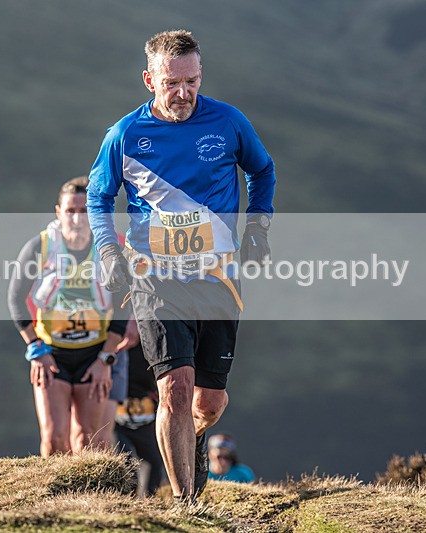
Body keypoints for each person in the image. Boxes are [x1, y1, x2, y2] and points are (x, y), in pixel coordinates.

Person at [86, 30, 275, 501]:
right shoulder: (126, 134)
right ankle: (186, 503)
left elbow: (262, 169)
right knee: (173, 386)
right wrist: (110, 250)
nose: (184, 93)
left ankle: (190, 437)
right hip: (155, 279)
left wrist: (258, 228)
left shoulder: (228, 122)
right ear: (150, 79)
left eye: (192, 81)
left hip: (217, 278)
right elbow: (98, 195)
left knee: (207, 402)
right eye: (172, 82)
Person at [7, 176, 132, 456]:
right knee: (54, 439)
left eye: (85, 210)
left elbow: (124, 305)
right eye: (70, 211)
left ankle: (85, 500)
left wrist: (106, 358)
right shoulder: (40, 247)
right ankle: (54, 500)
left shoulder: (108, 250)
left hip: (95, 353)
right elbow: (15, 298)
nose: (77, 218)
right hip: (52, 354)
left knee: (88, 441)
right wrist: (36, 348)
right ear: (58, 212)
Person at [114, 321, 165, 496]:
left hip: (146, 418)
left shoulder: (151, 346)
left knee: (155, 462)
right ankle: (125, 503)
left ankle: (152, 502)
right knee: (126, 462)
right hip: (116, 421)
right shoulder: (111, 345)